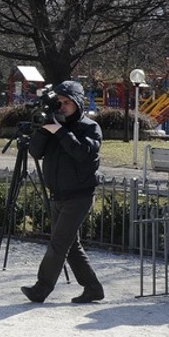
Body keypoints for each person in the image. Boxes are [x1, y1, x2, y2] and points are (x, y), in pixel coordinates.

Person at [20, 80, 105, 304]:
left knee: (58, 244)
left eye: (67, 102)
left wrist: (60, 131)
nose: (62, 107)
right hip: (58, 194)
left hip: (80, 195)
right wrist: (45, 130)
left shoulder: (90, 127)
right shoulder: (55, 124)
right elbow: (36, 152)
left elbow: (82, 153)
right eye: (59, 102)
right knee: (71, 246)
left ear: (78, 103)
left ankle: (41, 288)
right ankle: (93, 288)